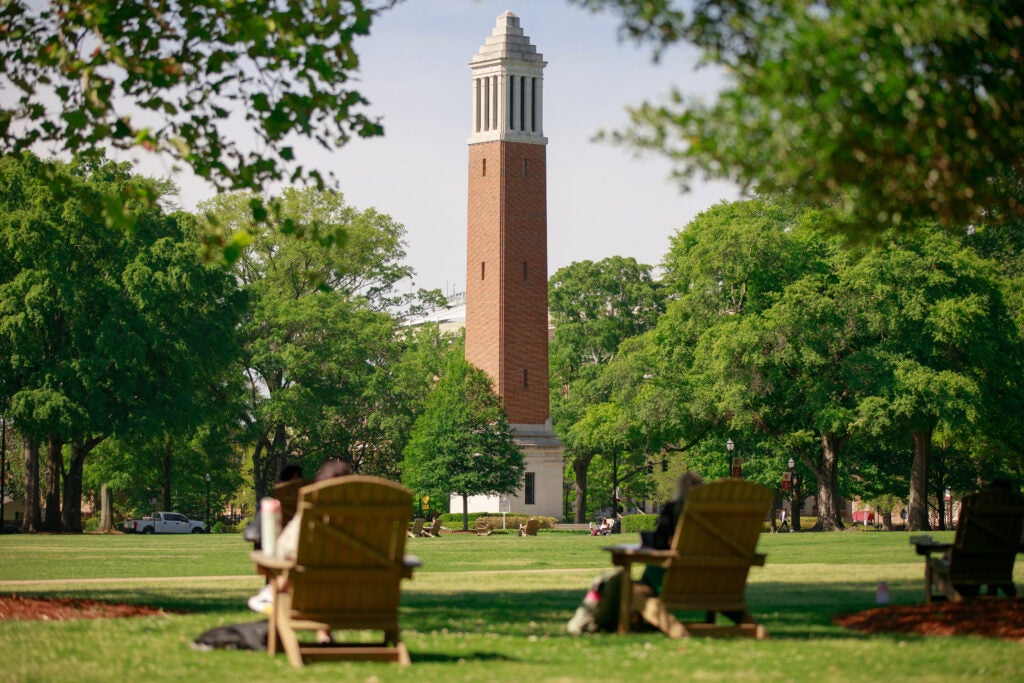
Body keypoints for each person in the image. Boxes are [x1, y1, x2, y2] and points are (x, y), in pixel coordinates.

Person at [248, 459, 352, 614]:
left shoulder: (307, 520)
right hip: (353, 598)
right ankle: (324, 633)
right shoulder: (364, 523)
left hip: (308, 596)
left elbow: (285, 550)